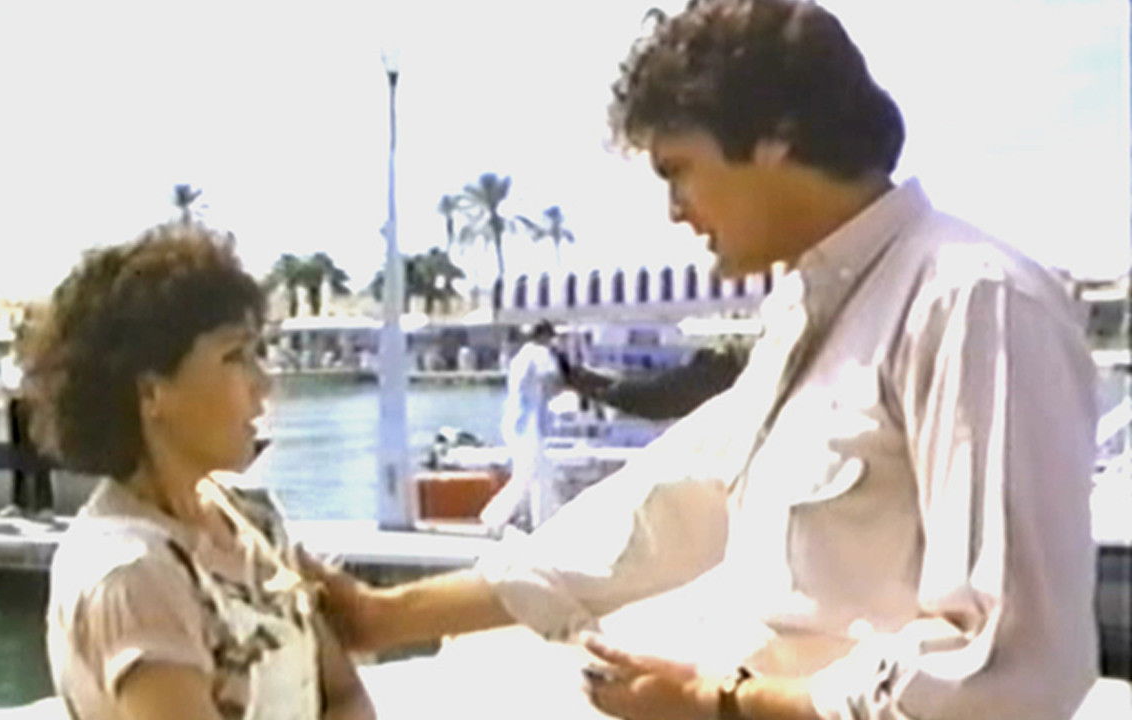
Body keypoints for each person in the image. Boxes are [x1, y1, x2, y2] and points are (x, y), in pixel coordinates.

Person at [300, 1, 1100, 718]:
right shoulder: (803, 314)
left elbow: (1009, 669)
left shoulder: (971, 302)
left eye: (677, 171)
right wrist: (388, 617)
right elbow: (664, 509)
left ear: (777, 134)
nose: (674, 211)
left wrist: (722, 705)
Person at [28, 223, 373, 720]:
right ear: (151, 393)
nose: (263, 383)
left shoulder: (248, 520)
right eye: (235, 357)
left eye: (257, 354)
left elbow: (342, 694)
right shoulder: (132, 575)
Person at [479, 320, 565, 532]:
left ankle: (544, 521)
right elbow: (553, 382)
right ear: (546, 337)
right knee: (528, 477)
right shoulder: (540, 354)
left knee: (539, 474)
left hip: (514, 422)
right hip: (530, 425)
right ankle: (494, 518)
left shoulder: (520, 357)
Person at [565, 344, 749, 420]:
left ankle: (587, 383)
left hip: (712, 383)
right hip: (713, 381)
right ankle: (587, 383)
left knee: (647, 396)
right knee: (646, 396)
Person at [0, 321, 55, 519]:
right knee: (18, 455)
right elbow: (6, 384)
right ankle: (19, 502)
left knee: (39, 456)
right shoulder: (8, 361)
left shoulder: (38, 361)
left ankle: (44, 505)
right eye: (18, 338)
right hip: (15, 407)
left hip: (35, 407)